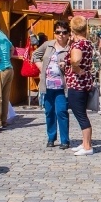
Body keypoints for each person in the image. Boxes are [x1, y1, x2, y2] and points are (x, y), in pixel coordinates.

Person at [35, 20, 71, 149]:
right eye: (58, 32)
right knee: (49, 112)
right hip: (47, 85)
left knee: (61, 112)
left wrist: (67, 65)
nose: (61, 35)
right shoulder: (48, 45)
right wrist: (41, 68)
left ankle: (65, 140)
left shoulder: (70, 48)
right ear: (54, 33)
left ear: (68, 34)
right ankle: (51, 137)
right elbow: (35, 55)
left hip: (62, 86)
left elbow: (77, 62)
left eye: (64, 32)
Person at [65, 15, 96, 155]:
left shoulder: (78, 45)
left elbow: (75, 60)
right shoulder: (87, 43)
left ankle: (87, 147)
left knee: (81, 115)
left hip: (77, 83)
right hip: (85, 82)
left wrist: (76, 69)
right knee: (81, 113)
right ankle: (84, 143)